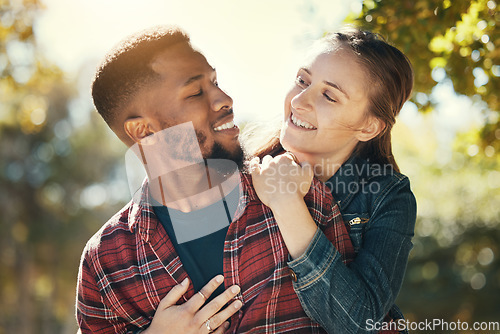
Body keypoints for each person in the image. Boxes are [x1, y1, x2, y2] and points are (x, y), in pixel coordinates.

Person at [76, 25, 355, 334]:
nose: (226, 99)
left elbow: (366, 322)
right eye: (196, 92)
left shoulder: (296, 191)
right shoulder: (105, 260)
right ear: (144, 132)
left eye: (216, 82)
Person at [250, 27, 417, 333]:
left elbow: (359, 322)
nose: (299, 100)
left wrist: (286, 202)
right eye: (302, 80)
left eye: (328, 95)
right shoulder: (246, 172)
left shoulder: (387, 196)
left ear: (368, 126)